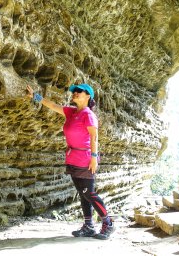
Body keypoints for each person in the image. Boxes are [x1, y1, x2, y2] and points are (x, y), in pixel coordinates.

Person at [26, 83, 114, 240]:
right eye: (74, 91)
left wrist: (94, 158)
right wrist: (35, 96)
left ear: (88, 96)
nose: (75, 93)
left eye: (79, 91)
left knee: (89, 193)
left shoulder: (88, 114)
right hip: (73, 158)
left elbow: (94, 137)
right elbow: (52, 105)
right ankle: (88, 226)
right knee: (82, 193)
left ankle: (108, 223)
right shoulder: (71, 112)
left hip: (86, 160)